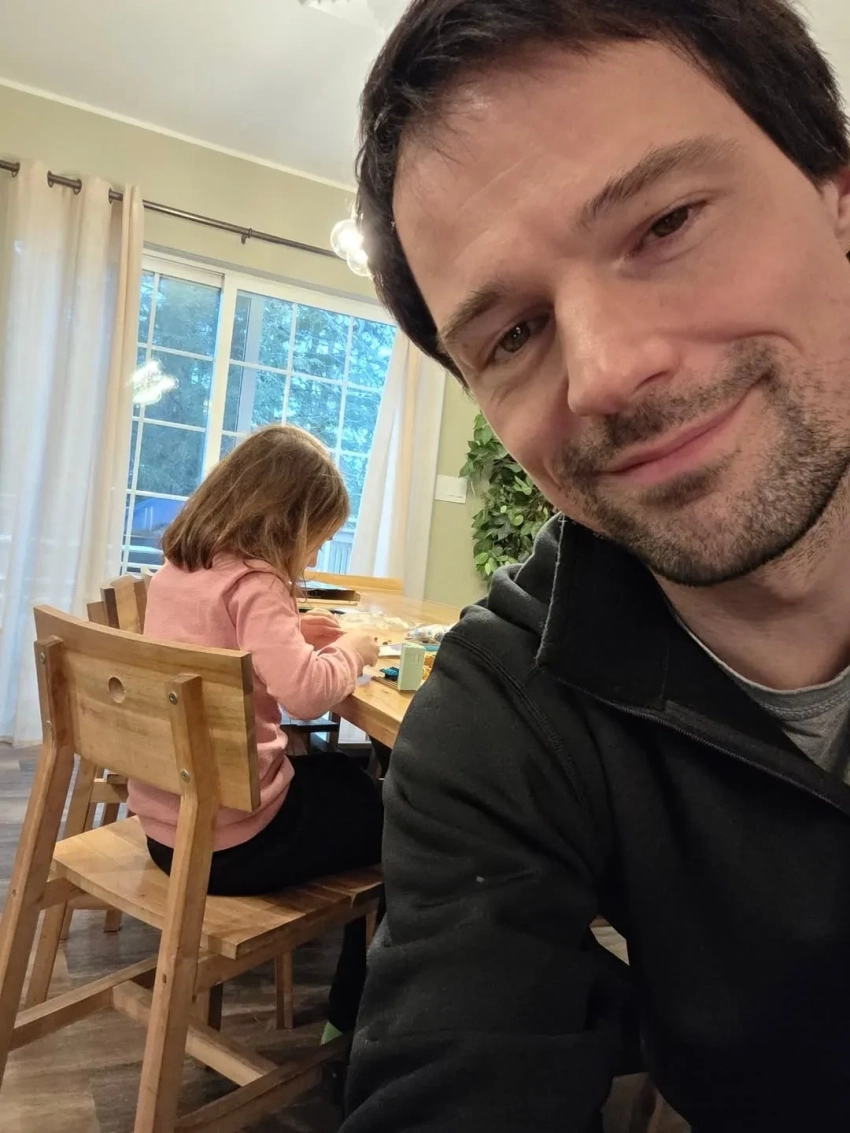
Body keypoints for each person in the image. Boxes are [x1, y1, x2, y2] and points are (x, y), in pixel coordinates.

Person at [340, 1, 850, 1130]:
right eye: (514, 335)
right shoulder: (499, 713)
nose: (607, 372)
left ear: (838, 196)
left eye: (666, 222)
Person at [128, 424, 382, 1042]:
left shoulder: (180, 570)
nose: (313, 558)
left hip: (167, 831)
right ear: (287, 522)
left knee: (341, 778)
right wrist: (354, 648)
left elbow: (229, 645)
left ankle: (355, 1007)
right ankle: (353, 1017)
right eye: (315, 539)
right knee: (404, 821)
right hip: (235, 846)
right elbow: (306, 693)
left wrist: (293, 633)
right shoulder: (257, 581)